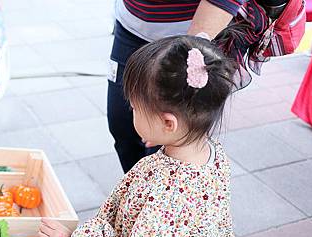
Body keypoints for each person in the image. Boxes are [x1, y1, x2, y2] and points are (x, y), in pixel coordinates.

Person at [38, 33, 238, 237]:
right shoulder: (209, 153)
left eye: (134, 108)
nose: (131, 112)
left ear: (168, 123)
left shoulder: (172, 195)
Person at [108, 0, 265, 172]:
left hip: (190, 33)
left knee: (160, 147)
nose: (132, 107)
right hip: (133, 25)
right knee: (122, 125)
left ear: (168, 124)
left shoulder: (155, 191)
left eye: (134, 107)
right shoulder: (217, 162)